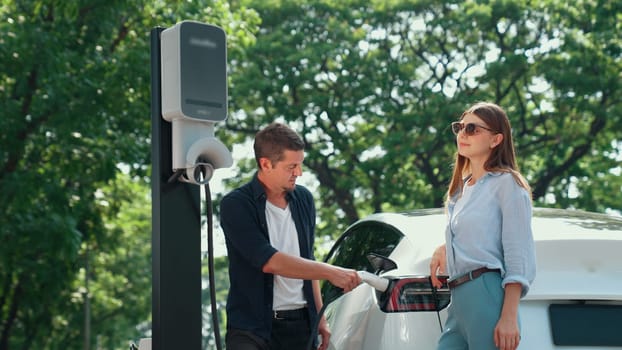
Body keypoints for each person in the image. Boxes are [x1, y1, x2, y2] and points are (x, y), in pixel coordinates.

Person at [220, 122, 361, 350]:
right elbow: (268, 261)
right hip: (251, 330)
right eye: (291, 166)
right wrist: (331, 272)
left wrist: (320, 319)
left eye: (300, 164)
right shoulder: (236, 205)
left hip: (300, 326)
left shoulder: (304, 199)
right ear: (265, 164)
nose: (299, 173)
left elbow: (307, 258)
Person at [429, 102, 536, 350]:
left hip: (486, 294)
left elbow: (517, 253)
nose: (463, 134)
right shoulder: (460, 191)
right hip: (458, 300)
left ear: (496, 139)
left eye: (473, 128)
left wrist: (508, 317)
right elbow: (479, 235)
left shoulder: (507, 184)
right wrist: (444, 247)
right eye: (460, 127)